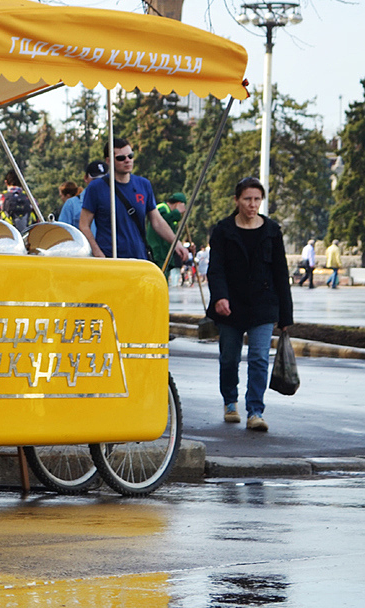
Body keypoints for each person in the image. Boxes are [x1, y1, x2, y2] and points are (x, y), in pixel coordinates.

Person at [207, 177, 293, 433]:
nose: (252, 204)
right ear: (236, 200)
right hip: (231, 306)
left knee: (258, 358)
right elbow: (216, 269)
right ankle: (230, 401)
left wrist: (285, 316)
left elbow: (281, 272)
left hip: (263, 305)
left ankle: (255, 410)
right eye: (247, 199)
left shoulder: (272, 231)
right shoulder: (223, 230)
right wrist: (220, 297)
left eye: (257, 199)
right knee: (229, 359)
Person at [79, 139, 186, 263]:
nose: (127, 160)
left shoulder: (144, 185)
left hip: (139, 258)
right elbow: (84, 225)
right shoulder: (96, 187)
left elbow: (157, 221)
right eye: (120, 158)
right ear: (108, 161)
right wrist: (98, 253)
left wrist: (176, 243)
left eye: (130, 156)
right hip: (110, 259)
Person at [146, 191, 188, 278]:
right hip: (157, 251)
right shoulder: (162, 208)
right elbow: (161, 222)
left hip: (165, 252)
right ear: (178, 203)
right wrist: (177, 212)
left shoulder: (169, 212)